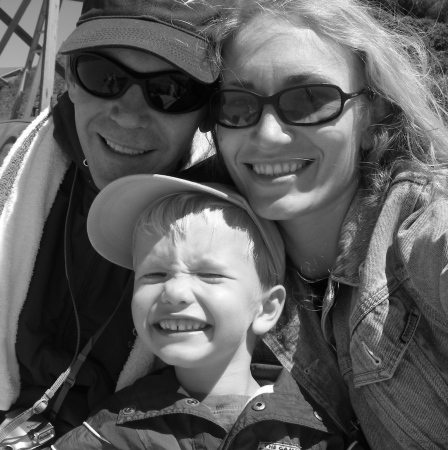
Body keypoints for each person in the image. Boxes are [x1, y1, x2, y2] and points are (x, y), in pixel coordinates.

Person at [195, 0, 448, 448]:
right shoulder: (224, 249)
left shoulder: (419, 222)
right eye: (237, 105)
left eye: (311, 100)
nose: (268, 135)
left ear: (373, 117)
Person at [0, 0, 224, 436]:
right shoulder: (17, 177)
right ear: (69, 78)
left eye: (172, 89)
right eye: (104, 77)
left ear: (206, 114)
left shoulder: (233, 230)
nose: (128, 113)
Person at [49, 174, 361, 450]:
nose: (173, 291)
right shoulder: (115, 431)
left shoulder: (314, 430)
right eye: (154, 275)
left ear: (267, 308)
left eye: (209, 275)